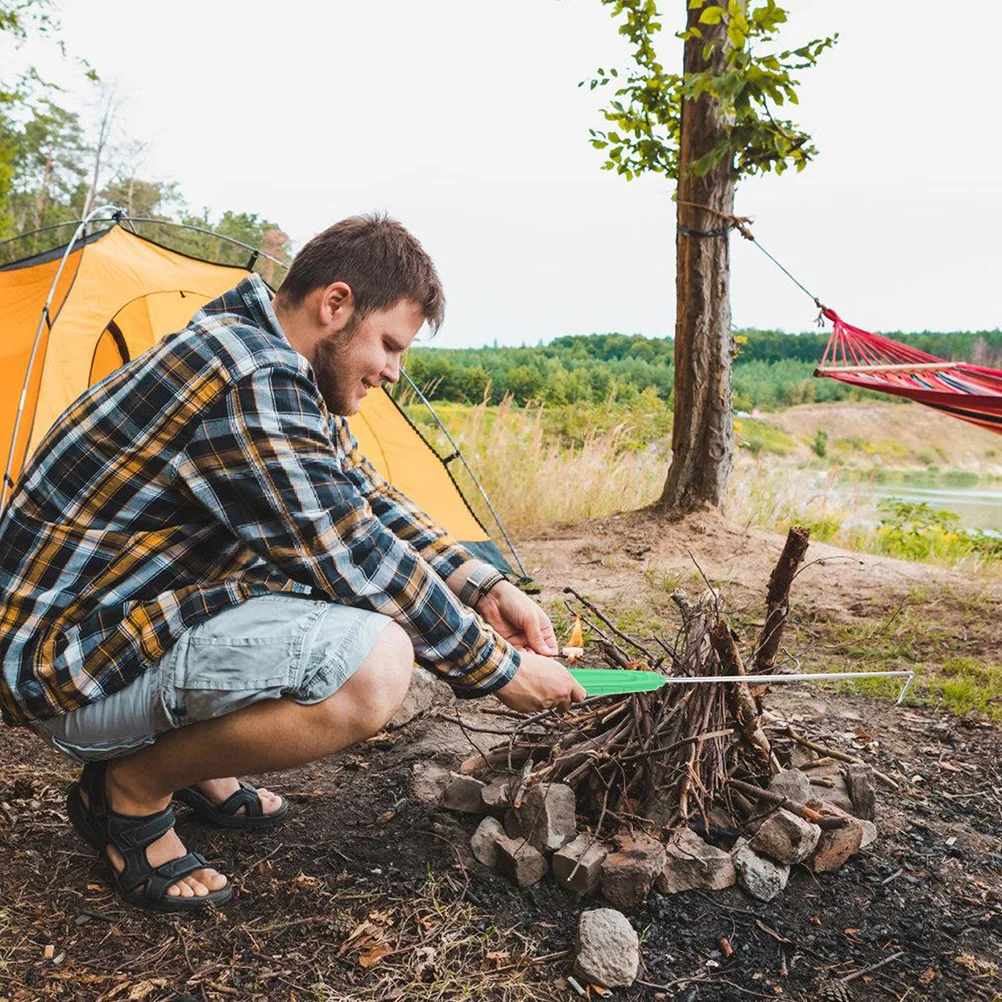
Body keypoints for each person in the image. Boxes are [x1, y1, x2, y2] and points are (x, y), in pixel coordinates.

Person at [0, 214, 586, 912]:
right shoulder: (253, 376)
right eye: (391, 345)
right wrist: (502, 670)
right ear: (334, 304)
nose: (394, 372)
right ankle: (127, 790)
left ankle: (197, 762)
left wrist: (485, 588)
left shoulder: (276, 359)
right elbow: (353, 551)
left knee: (322, 602)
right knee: (373, 666)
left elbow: (367, 497)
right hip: (66, 667)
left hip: (121, 617)